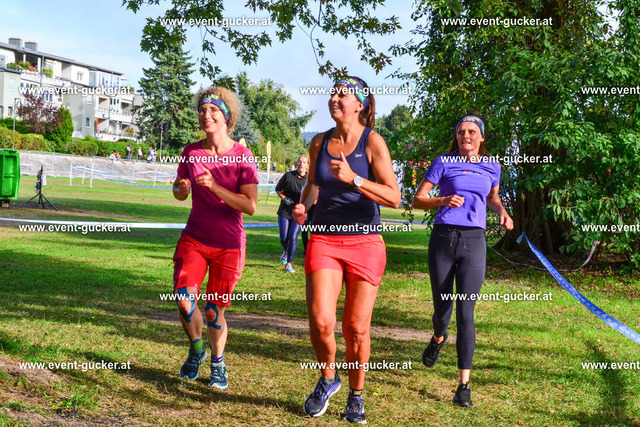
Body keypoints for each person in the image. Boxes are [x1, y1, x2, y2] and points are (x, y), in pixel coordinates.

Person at [293, 76, 400, 423]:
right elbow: (313, 185)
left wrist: (354, 178)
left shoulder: (373, 142)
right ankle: (328, 377)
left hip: (365, 241)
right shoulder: (319, 142)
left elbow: (394, 197)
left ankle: (356, 395)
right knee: (321, 319)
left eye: (343, 94)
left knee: (355, 327)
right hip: (324, 238)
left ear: (360, 105)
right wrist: (303, 205)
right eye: (333, 93)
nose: (335, 98)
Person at [412, 113, 514, 408]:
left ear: (481, 137)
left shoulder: (492, 166)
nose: (465, 136)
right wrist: (443, 201)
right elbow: (418, 199)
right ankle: (438, 337)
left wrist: (502, 212)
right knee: (442, 311)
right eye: (461, 132)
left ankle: (464, 386)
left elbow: (492, 197)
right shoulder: (443, 162)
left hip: (474, 242)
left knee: (466, 312)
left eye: (471, 132)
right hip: (443, 239)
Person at [171, 87, 258, 389]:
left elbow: (250, 206)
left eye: (213, 111)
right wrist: (181, 189)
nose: (205, 115)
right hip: (194, 237)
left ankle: (218, 363)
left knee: (212, 310)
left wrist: (215, 187)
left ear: (226, 117)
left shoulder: (243, 156)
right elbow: (179, 191)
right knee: (184, 301)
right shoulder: (191, 152)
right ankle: (197, 350)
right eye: (202, 110)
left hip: (229, 244)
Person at [275, 155, 309, 273]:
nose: (301, 164)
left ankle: (289, 263)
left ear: (307, 165)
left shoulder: (309, 180)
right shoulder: (288, 176)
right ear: (297, 163)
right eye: (299, 161)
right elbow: (278, 190)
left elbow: (313, 196)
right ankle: (286, 251)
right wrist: (284, 198)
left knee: (293, 237)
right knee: (283, 238)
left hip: (299, 213)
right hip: (285, 211)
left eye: (304, 162)